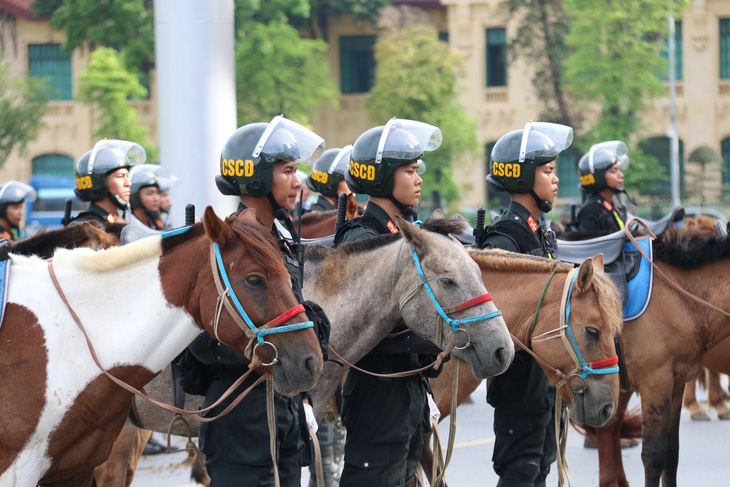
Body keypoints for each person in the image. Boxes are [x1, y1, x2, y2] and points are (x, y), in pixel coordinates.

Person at [179, 115, 331, 487]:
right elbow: (199, 336)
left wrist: (304, 398)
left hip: (285, 406)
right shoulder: (226, 245)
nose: (298, 182)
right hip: (241, 412)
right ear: (258, 176)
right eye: (288, 170)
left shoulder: (280, 236)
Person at [332, 118, 443, 486]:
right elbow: (363, 324)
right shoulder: (363, 238)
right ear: (382, 179)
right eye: (409, 170)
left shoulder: (402, 233)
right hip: (376, 389)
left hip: (406, 386)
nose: (418, 178)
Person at [476, 121, 573, 487]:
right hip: (518, 380)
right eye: (547, 171)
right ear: (520, 177)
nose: (555, 179)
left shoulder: (539, 231)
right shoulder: (505, 237)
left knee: (540, 468)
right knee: (521, 470)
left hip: (544, 380)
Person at [71, 139, 145, 225]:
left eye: (127, 176)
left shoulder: (118, 219)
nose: (128, 183)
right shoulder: (85, 228)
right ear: (99, 184)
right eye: (120, 176)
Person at [572, 141, 630, 233]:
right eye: (614, 171)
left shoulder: (610, 206)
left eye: (619, 170)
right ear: (598, 177)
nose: (621, 175)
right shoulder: (592, 212)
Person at [305, 146, 353, 213]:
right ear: (330, 185)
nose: (353, 184)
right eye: (347, 180)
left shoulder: (346, 212)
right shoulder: (318, 219)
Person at [127, 164, 165, 230]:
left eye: (157, 193)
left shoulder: (154, 224)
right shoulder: (127, 225)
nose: (157, 199)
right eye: (150, 193)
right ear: (135, 197)